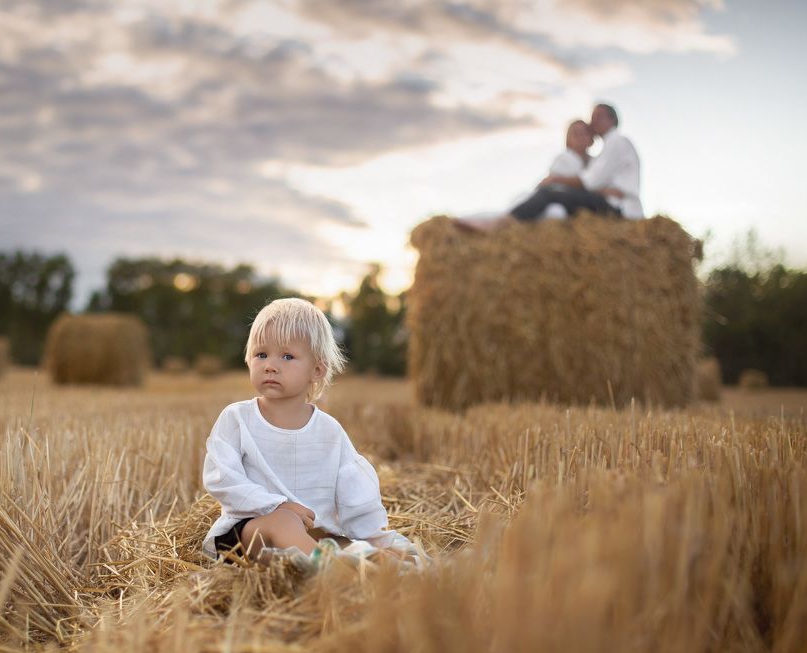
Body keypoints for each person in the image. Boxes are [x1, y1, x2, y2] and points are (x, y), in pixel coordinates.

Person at [201, 297, 419, 570]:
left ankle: (352, 565)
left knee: (343, 543)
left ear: (317, 370)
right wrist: (277, 505)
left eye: (287, 356)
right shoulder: (237, 419)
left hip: (312, 537)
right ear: (248, 360)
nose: (270, 365)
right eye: (261, 354)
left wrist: (376, 539)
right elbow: (223, 478)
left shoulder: (329, 431)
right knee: (285, 523)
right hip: (247, 536)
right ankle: (335, 572)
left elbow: (355, 495)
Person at [509, 103, 643, 221]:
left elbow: (590, 182)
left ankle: (507, 220)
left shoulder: (615, 141)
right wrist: (603, 190)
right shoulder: (606, 149)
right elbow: (597, 183)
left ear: (612, 120)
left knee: (550, 193)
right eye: (592, 118)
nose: (593, 122)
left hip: (621, 207)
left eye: (599, 117)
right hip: (615, 205)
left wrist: (554, 179)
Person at [456, 119, 595, 230]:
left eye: (584, 133)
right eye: (575, 134)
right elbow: (551, 184)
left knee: (556, 215)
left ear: (591, 138)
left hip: (566, 204)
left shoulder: (596, 163)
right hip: (548, 199)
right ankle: (474, 221)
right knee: (551, 213)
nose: (580, 137)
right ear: (568, 139)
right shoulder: (564, 158)